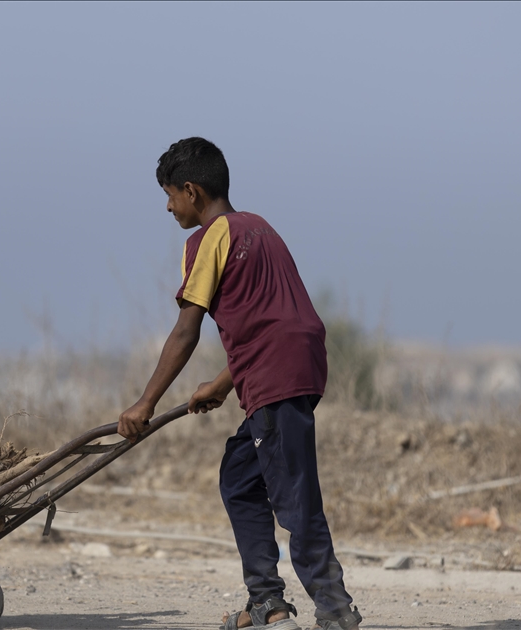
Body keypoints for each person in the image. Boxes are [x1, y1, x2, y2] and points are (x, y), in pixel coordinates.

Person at [117, 137, 361, 630]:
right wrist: (224, 383)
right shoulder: (261, 228)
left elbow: (186, 331)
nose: (168, 207)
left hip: (274, 374)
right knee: (240, 477)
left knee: (294, 494)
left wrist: (145, 403)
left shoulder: (207, 240)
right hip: (297, 363)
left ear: (191, 190)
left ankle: (336, 611)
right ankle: (266, 600)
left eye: (170, 195)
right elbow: (276, 320)